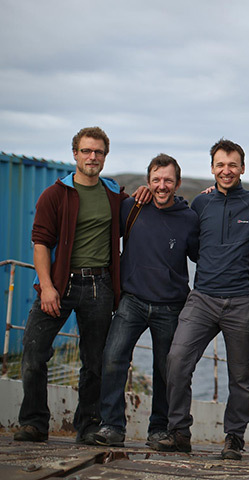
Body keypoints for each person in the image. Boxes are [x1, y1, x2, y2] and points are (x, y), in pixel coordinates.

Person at [14, 127, 128, 444]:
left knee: (94, 362)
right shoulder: (55, 194)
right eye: (87, 151)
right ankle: (34, 423)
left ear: (105, 156)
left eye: (99, 152)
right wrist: (47, 287)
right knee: (34, 353)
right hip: (60, 285)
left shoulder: (113, 194)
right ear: (75, 153)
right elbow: (40, 243)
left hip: (99, 286)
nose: (93, 157)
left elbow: (141, 211)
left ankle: (89, 425)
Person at [157, 139, 249, 458]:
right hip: (201, 297)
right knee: (176, 362)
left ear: (243, 168)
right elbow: (186, 238)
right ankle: (178, 432)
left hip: (242, 299)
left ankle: (234, 437)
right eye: (220, 164)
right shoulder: (201, 204)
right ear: (212, 168)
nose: (226, 170)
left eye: (232, 164)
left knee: (241, 376)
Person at [92, 154, 199, 447]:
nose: (161, 186)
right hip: (133, 301)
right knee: (113, 359)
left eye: (167, 180)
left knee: (165, 371)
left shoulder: (189, 218)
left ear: (177, 183)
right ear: (147, 181)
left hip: (171, 305)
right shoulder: (131, 207)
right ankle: (112, 426)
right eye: (156, 180)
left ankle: (159, 430)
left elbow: (201, 255)